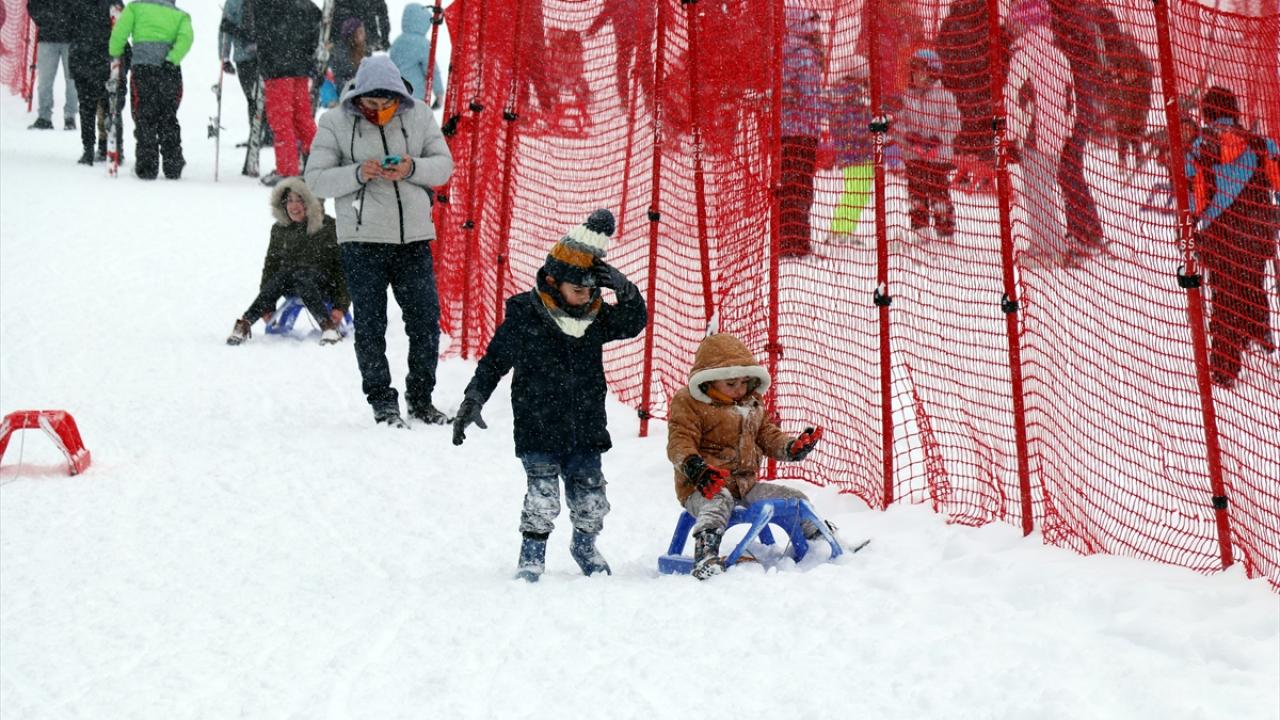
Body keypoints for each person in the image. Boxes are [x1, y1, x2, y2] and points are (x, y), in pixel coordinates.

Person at [451, 209, 647, 582]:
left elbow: (633, 322)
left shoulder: (595, 316)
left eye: (592, 291)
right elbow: (494, 362)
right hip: (537, 424)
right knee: (542, 498)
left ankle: (585, 545)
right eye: (578, 290)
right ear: (555, 283)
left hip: (586, 427)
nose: (585, 297)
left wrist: (626, 291)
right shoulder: (526, 316)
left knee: (592, 501)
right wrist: (473, 398)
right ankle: (532, 553)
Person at [304, 55, 454, 427]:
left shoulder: (419, 114)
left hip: (414, 239)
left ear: (398, 98)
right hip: (362, 240)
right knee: (371, 325)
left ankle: (421, 399)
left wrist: (411, 168)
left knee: (425, 322)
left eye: (385, 104)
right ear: (358, 97)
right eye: (370, 104)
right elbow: (316, 180)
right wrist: (358, 172)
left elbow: (444, 166)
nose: (378, 111)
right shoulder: (335, 122)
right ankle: (381, 401)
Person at [666, 333, 827, 580]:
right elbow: (679, 442)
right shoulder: (689, 403)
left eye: (744, 382)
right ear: (709, 381)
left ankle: (821, 541)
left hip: (745, 485)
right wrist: (696, 468)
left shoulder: (751, 402)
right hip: (703, 486)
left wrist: (790, 447)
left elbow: (766, 435)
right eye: (731, 384)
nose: (739, 389)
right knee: (717, 502)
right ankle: (706, 554)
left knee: (794, 498)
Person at [1186, 86, 1280, 388]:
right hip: (1258, 235)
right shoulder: (1259, 144)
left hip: (1221, 240)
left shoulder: (1200, 149)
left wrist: (1193, 229)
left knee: (1224, 298)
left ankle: (1225, 369)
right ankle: (1259, 333)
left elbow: (1196, 202)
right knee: (1252, 281)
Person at [226, 178, 350, 347]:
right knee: (284, 273)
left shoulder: (329, 227)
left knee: (300, 274)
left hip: (323, 284)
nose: (294, 206)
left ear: (311, 203)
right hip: (290, 282)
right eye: (289, 200)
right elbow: (271, 266)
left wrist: (340, 306)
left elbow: (342, 269)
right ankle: (246, 322)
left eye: (300, 200)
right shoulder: (280, 229)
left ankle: (328, 326)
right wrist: (268, 305)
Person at [1004, 0, 1073, 264]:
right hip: (1055, 136)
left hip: (1033, 135)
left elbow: (1015, 99)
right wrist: (1064, 131)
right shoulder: (1059, 55)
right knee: (1044, 191)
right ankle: (1049, 245)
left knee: (1037, 194)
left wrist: (1013, 135)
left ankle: (1049, 248)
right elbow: (1070, 100)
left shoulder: (1023, 56)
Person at [108, 0, 192, 180]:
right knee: (168, 116)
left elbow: (119, 34)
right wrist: (172, 58)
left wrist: (114, 52)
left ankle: (147, 166)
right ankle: (173, 164)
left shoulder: (135, 8)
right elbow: (186, 38)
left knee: (144, 116)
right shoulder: (180, 15)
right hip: (170, 71)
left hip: (143, 70)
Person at [251, 0, 321, 187]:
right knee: (302, 118)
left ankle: (287, 169)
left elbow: (258, 33)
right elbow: (316, 21)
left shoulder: (266, 4)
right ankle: (319, 161)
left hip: (277, 69)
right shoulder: (305, 5)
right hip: (300, 67)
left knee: (281, 120)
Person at [897, 48, 961, 243]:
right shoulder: (907, 96)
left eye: (921, 70)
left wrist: (938, 138)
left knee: (939, 193)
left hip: (937, 157)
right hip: (915, 156)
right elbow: (898, 123)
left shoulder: (944, 96)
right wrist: (908, 135)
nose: (916, 75)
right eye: (914, 71)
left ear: (932, 72)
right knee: (916, 192)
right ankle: (920, 228)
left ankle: (945, 230)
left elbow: (954, 122)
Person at [779, 7, 826, 257]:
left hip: (789, 131)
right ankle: (795, 243)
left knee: (790, 186)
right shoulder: (802, 54)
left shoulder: (787, 50)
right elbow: (806, 95)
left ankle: (790, 240)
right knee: (799, 187)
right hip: (801, 131)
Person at [824, 54, 873, 242]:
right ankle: (839, 231)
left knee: (856, 192)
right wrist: (876, 127)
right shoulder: (851, 95)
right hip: (858, 151)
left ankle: (843, 229)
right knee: (856, 192)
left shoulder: (844, 94)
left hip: (852, 151)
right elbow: (856, 125)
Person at [218, 0, 268, 147]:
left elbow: (225, 29)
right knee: (266, 96)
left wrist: (224, 57)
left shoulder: (233, 2)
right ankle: (268, 134)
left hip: (245, 57)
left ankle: (256, 134)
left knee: (252, 98)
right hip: (268, 56)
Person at [67, 0, 111, 165]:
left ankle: (88, 149)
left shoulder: (76, 4)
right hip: (104, 60)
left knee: (86, 107)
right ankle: (105, 145)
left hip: (82, 60)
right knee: (106, 106)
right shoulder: (112, 3)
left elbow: (68, 27)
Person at [26, 0, 79, 131]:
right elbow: (32, 5)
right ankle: (44, 117)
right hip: (48, 38)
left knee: (72, 81)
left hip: (71, 39)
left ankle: (70, 117)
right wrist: (45, 21)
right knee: (45, 81)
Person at [389, 4, 441, 109]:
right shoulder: (423, 44)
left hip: (396, 93)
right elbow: (431, 70)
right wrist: (439, 93)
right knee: (416, 123)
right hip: (416, 96)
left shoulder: (397, 42)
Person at [330, 17, 368, 98]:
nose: (364, 34)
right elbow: (340, 78)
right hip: (346, 94)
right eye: (360, 32)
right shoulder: (340, 52)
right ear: (353, 35)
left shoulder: (365, 49)